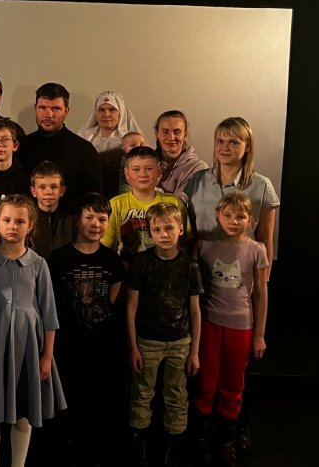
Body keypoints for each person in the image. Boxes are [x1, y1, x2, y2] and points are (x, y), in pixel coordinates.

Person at [0, 194, 66, 467]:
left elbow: (49, 315)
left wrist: (46, 356)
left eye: (20, 221)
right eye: (7, 220)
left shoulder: (38, 264)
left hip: (27, 347)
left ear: (30, 226)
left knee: (23, 407)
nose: (12, 226)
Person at [47, 192, 126, 466]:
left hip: (102, 345)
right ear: (77, 220)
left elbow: (112, 299)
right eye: (89, 217)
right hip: (67, 344)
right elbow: (52, 302)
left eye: (102, 219)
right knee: (69, 397)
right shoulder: (58, 259)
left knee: (98, 398)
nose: (95, 224)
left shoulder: (112, 261)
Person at [191, 194, 268, 467]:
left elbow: (261, 294)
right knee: (206, 382)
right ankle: (201, 437)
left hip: (241, 325)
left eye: (240, 217)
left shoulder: (256, 250)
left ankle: (227, 440)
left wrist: (259, 335)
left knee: (233, 384)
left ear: (250, 220)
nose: (233, 221)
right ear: (217, 216)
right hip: (210, 323)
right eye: (228, 215)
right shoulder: (204, 246)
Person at [127, 202, 203, 466]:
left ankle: (173, 445)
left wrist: (194, 351)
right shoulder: (141, 262)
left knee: (177, 394)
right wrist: (133, 346)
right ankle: (141, 443)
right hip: (147, 341)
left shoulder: (189, 266)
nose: (163, 234)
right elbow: (131, 306)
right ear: (149, 231)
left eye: (169, 228)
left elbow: (195, 310)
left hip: (180, 342)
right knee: (142, 393)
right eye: (157, 229)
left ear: (180, 229)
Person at [185, 116, 280, 273]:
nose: (225, 147)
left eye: (233, 142)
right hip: (201, 269)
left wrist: (265, 279)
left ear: (247, 146)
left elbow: (265, 238)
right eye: (220, 141)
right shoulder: (198, 180)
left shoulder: (262, 185)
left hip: (240, 272)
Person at [18, 82, 102, 214]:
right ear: (35, 108)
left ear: (66, 111)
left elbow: (94, 199)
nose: (48, 115)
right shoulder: (20, 147)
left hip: (71, 222)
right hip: (25, 221)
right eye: (43, 107)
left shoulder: (84, 149)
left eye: (56, 109)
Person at [102, 146, 189, 264]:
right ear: (126, 173)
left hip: (165, 268)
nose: (142, 174)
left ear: (159, 171)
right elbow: (106, 248)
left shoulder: (174, 203)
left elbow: (185, 244)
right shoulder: (116, 204)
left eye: (148, 169)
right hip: (128, 269)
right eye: (136, 169)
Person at [79, 91, 143, 198]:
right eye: (101, 110)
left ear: (120, 113)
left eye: (112, 110)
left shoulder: (131, 142)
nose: (106, 114)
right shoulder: (84, 136)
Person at [154, 110, 208, 200]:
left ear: (185, 135)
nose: (171, 137)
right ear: (157, 134)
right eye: (165, 131)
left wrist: (147, 191)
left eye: (177, 132)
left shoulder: (198, 169)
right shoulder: (144, 162)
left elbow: (182, 203)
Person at [29, 161, 75, 259]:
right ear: (34, 191)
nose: (48, 192)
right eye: (42, 187)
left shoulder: (71, 222)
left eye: (53, 187)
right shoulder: (27, 221)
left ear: (62, 191)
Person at [118, 131, 147, 195]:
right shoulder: (126, 160)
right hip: (127, 190)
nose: (138, 147)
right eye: (133, 145)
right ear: (123, 148)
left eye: (141, 145)